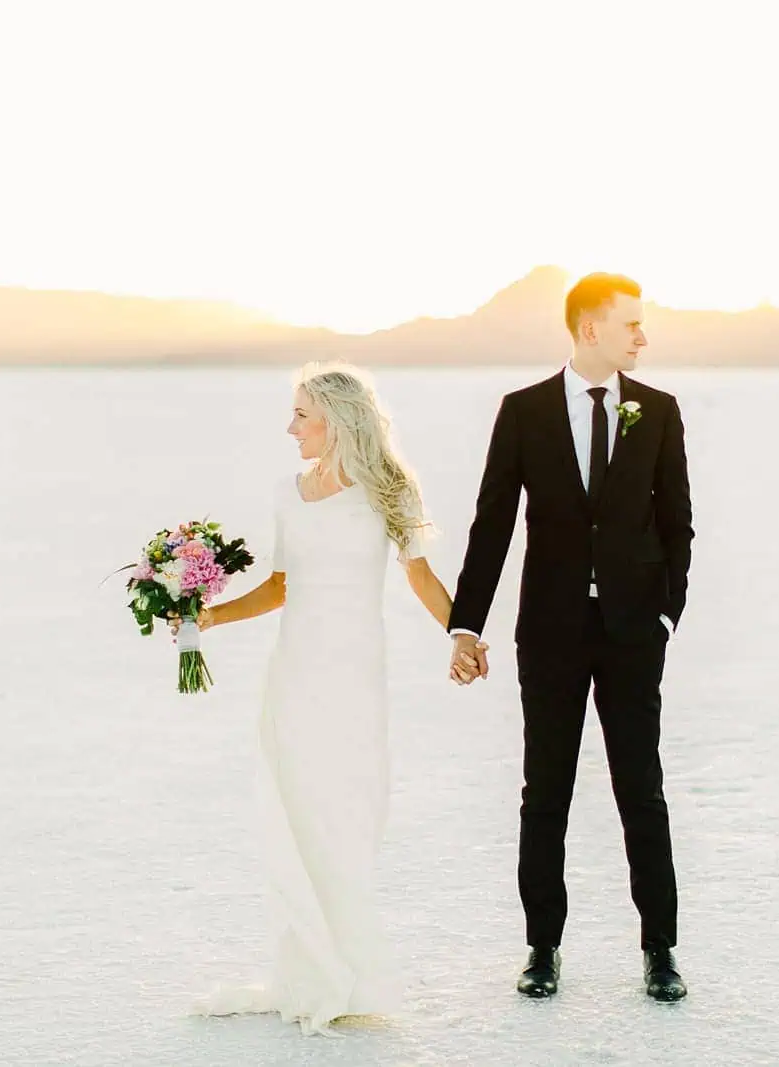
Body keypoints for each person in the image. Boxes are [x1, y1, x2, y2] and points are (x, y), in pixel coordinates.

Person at [184, 362, 467, 1034]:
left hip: (354, 673)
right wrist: (206, 618)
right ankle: (309, 964)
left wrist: (462, 634)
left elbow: (421, 577)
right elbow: (280, 586)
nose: (291, 428)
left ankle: (352, 966)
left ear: (336, 420)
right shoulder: (288, 493)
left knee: (346, 813)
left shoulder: (388, 491)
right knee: (294, 810)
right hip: (296, 672)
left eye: (301, 415)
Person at [448, 272, 693, 1002]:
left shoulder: (658, 411)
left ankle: (660, 949)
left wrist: (664, 613)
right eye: (631, 325)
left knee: (639, 790)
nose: (642, 337)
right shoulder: (522, 412)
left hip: (630, 633)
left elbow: (676, 522)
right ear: (591, 329)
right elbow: (492, 523)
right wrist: (467, 622)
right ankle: (542, 948)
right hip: (550, 631)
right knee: (544, 792)